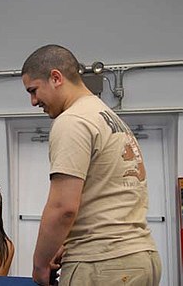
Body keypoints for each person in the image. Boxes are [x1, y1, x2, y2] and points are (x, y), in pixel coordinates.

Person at [21, 44, 161, 286]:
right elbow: (107, 196)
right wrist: (66, 243)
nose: (33, 101)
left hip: (103, 264)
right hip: (140, 258)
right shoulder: (109, 118)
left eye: (34, 90)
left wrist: (40, 265)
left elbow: (63, 207)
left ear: (56, 78)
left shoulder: (72, 121)